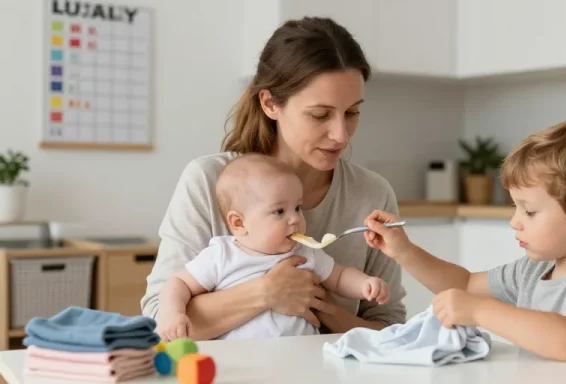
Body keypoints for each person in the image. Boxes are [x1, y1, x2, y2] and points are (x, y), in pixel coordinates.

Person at [141, 16, 407, 340]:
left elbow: (390, 330)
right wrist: (266, 293)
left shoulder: (372, 194)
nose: (341, 135)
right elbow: (159, 320)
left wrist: (324, 308)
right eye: (320, 115)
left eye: (352, 112)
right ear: (269, 104)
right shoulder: (208, 182)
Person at [363, 120, 566, 369]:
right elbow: (465, 283)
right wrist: (404, 251)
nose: (514, 221)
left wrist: (479, 311)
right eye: (515, 208)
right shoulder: (533, 270)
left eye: (529, 211)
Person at [156, 154, 390, 341]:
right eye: (279, 211)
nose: (295, 219)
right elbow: (178, 283)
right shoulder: (222, 255)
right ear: (239, 222)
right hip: (240, 363)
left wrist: (364, 285)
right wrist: (172, 314)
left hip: (301, 360)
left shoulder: (304, 253)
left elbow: (339, 277)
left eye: (298, 208)